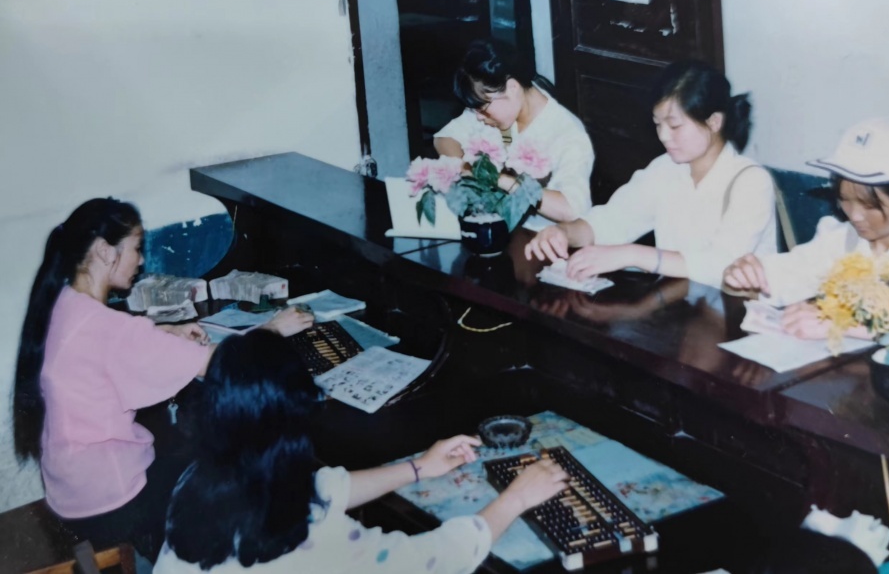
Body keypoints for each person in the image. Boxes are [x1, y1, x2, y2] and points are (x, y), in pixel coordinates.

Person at [12, 198, 314, 559]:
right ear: (106, 252)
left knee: (184, 448)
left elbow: (105, 346)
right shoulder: (112, 330)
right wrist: (272, 328)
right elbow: (218, 362)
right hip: (113, 503)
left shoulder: (63, 301)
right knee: (231, 475)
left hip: (72, 491)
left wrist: (163, 332)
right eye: (137, 248)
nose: (141, 261)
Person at [155, 329, 568, 573]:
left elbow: (315, 488)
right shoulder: (312, 541)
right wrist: (515, 499)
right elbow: (433, 560)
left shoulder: (198, 482)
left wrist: (418, 467)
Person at [722, 118, 889, 359]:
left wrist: (843, 324)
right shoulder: (840, 240)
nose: (855, 215)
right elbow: (782, 277)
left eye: (870, 205)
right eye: (844, 200)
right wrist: (745, 274)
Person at [525, 60, 777, 288]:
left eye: (675, 125)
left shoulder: (750, 182)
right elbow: (613, 220)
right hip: (680, 303)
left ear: (714, 122)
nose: (664, 136)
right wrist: (565, 232)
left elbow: (721, 266)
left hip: (739, 312)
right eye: (658, 125)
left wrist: (632, 255)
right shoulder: (665, 168)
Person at [434, 38, 594, 227]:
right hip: (492, 223)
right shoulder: (490, 107)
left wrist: (499, 180)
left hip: (539, 235)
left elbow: (573, 209)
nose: (478, 117)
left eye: (482, 109)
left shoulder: (567, 133)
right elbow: (444, 138)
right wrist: (465, 170)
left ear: (512, 88)